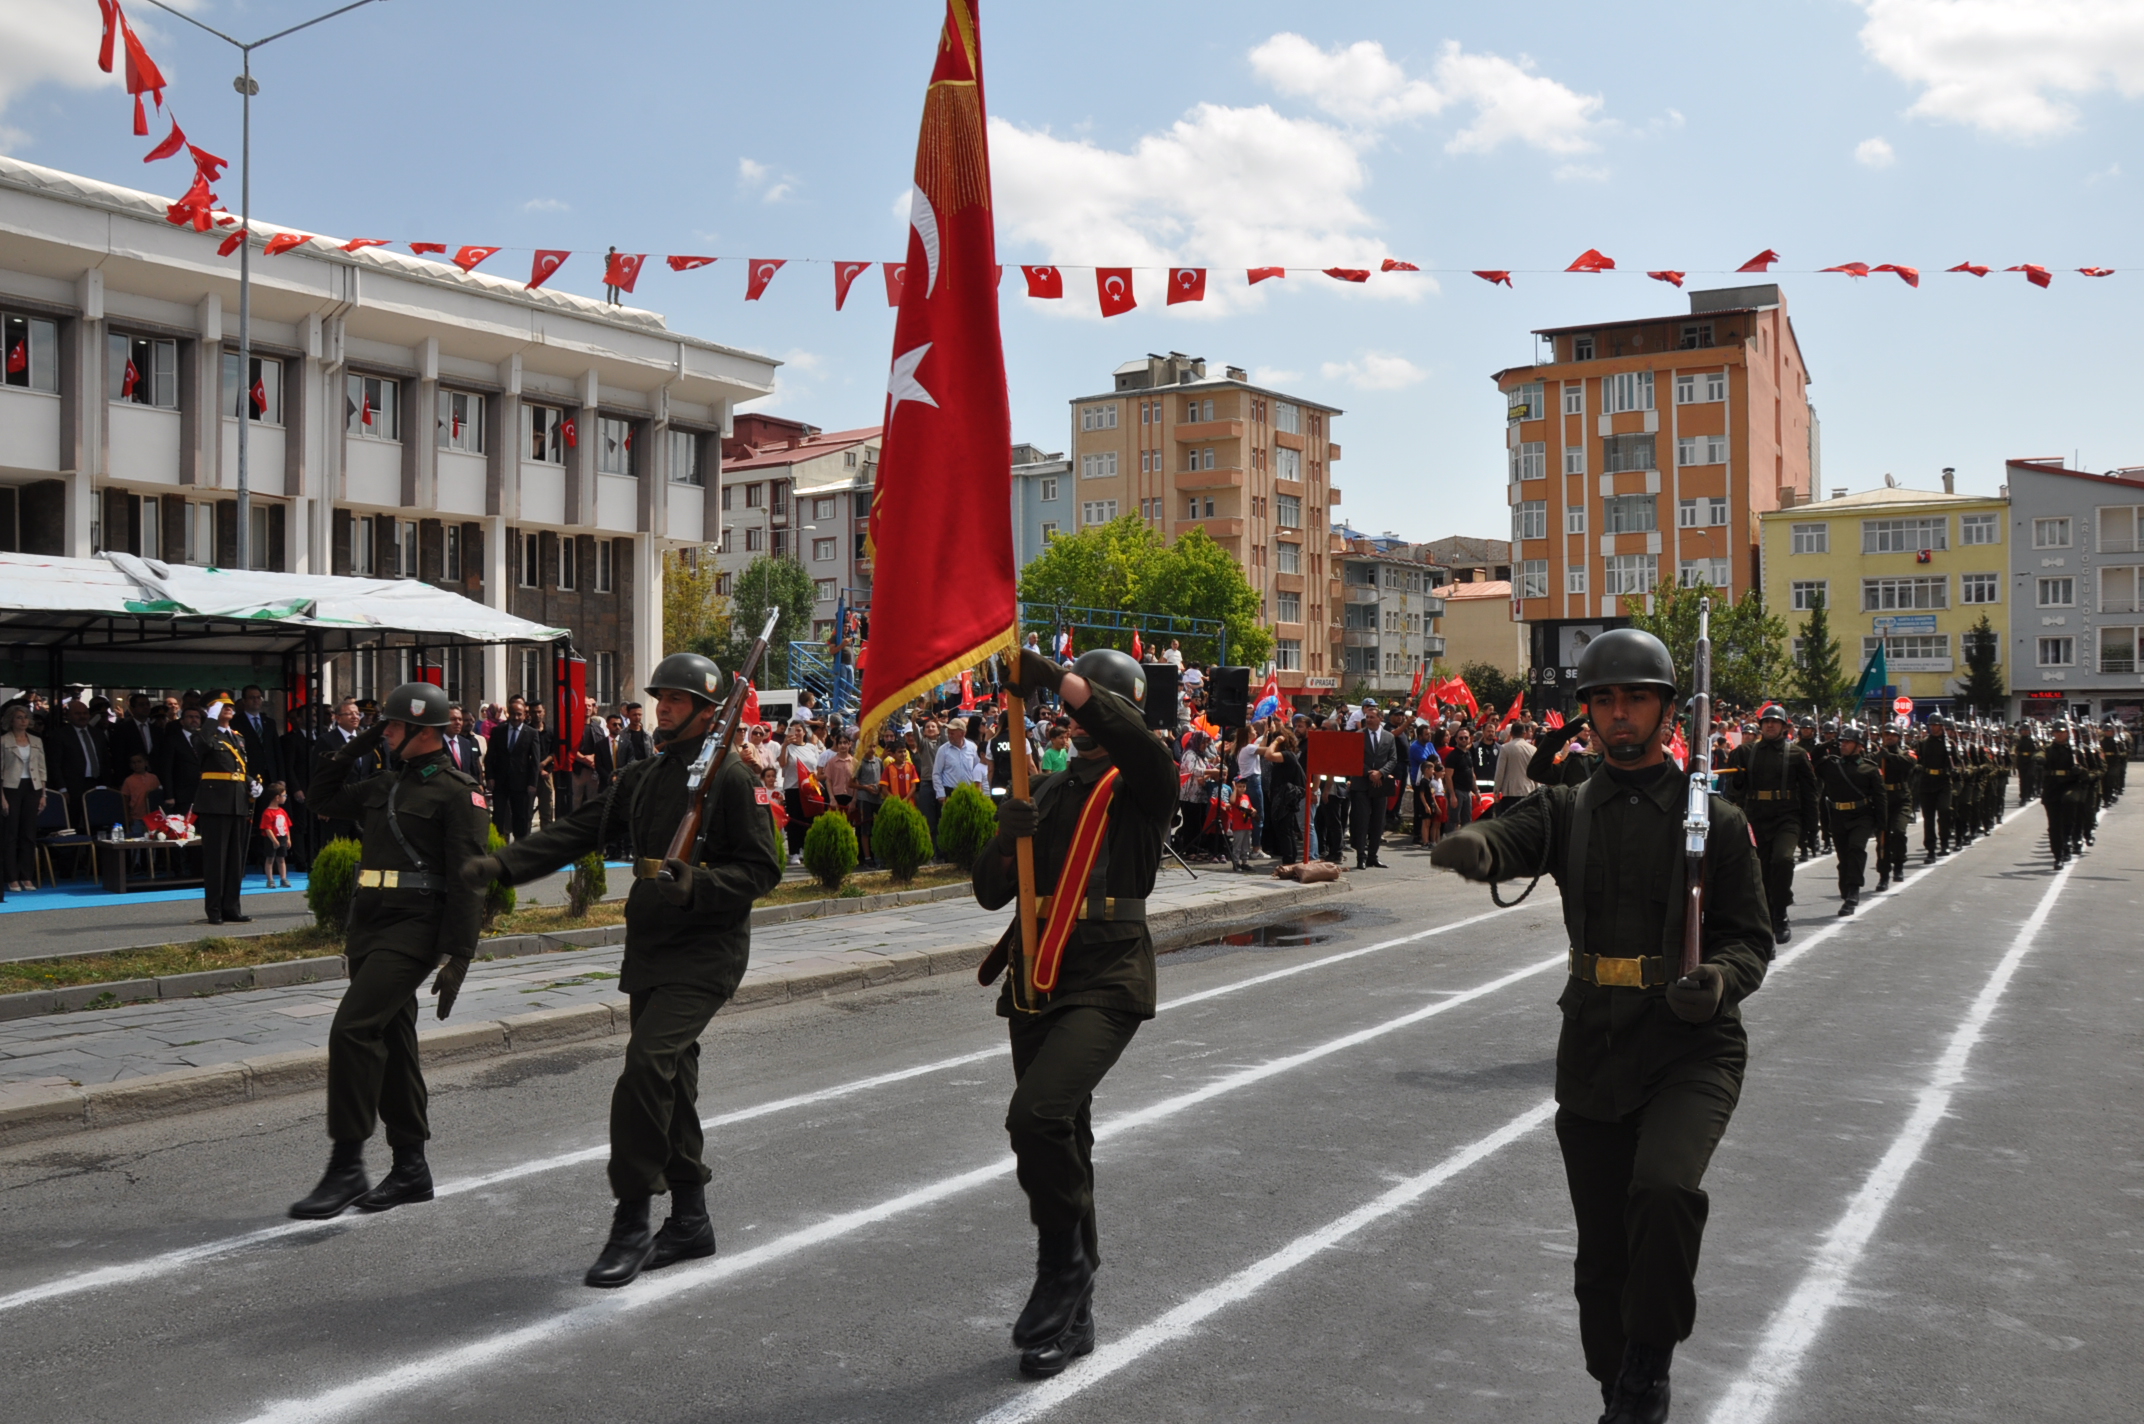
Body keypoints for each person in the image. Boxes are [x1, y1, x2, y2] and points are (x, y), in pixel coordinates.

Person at [1429, 627, 1771, 1423]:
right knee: (1602, 1260)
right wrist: (1474, 847)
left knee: (1663, 1190)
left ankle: (1649, 1366)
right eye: (1605, 701)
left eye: (1636, 699)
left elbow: (1750, 939)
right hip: (1593, 1046)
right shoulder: (1565, 808)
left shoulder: (1713, 821)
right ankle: (1620, 1386)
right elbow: (1511, 835)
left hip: (1691, 1046)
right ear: (1587, 713)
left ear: (1666, 710)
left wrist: (1718, 980)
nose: (1620, 715)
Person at [464, 652, 783, 1287]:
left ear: (706, 711)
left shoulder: (731, 781)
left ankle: (632, 1218)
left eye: (677, 699)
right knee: (670, 1084)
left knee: (645, 1066)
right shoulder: (644, 775)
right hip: (653, 949)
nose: (663, 707)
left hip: (707, 950)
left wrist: (700, 883)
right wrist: (504, 866)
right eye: (660, 696)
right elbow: (581, 829)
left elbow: (762, 871)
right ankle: (691, 1219)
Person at [980, 648, 1179, 1378]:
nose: (1075, 719)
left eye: (1086, 706)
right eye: (1069, 708)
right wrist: (1008, 838)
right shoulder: (1053, 789)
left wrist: (1054, 675)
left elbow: (1133, 737)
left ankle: (1063, 1271)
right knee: (1068, 1134)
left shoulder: (1144, 784)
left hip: (1107, 977)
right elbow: (988, 893)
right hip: (1038, 978)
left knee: (1036, 1115)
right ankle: (1077, 1314)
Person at [288, 682, 493, 1220]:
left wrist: (460, 957)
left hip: (414, 930)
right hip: (370, 925)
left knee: (353, 1029)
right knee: (394, 1042)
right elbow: (322, 797)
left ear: (426, 733)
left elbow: (471, 878)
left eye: (396, 726)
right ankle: (411, 1169)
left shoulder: (459, 792)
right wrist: (359, 744)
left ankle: (347, 1164)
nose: (386, 733)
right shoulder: (383, 782)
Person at [1720, 703, 1815, 945]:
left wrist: (1812, 832)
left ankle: (1780, 912)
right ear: (1761, 725)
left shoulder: (1797, 755)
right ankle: (1767, 927)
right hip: (1756, 817)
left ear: (1784, 727)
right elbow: (1734, 791)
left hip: (1787, 817)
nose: (1770, 725)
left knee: (1782, 860)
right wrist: (1739, 780)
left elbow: (1809, 794)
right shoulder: (1746, 752)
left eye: (1776, 721)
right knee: (1760, 874)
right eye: (1766, 721)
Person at [193, 697, 255, 926]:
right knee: (216, 859)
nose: (227, 708)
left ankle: (232, 907)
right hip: (215, 802)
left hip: (237, 801)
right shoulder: (205, 733)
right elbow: (202, 747)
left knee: (235, 859)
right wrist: (209, 718)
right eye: (221, 705)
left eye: (230, 705)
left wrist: (250, 782)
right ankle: (215, 910)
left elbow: (235, 767)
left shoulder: (237, 737)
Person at [1818, 725, 1885, 916]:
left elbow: (1880, 797)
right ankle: (1847, 889)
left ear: (1860, 746)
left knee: (1856, 849)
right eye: (1842, 741)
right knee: (1844, 858)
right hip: (1839, 816)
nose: (1843, 745)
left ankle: (1854, 891)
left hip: (1862, 816)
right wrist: (1828, 742)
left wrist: (1882, 824)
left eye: (1848, 742)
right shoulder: (1832, 765)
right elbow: (1814, 758)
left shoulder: (1869, 769)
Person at [1, 703, 49, 892]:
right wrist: (2, 798)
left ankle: (26, 876)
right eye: (19, 717)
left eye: (25, 717)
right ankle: (12, 877)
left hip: (33, 787)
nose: (23, 721)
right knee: (11, 834)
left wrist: (43, 794)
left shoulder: (36, 741)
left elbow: (42, 769)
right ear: (11, 720)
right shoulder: (4, 741)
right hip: (11, 787)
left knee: (29, 834)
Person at [485, 696, 541, 841]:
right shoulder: (498, 731)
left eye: (519, 714)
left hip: (521, 783)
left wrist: (532, 783)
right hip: (500, 781)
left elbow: (535, 761)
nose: (516, 717)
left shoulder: (531, 733)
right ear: (508, 713)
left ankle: (519, 849)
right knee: (499, 816)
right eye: (513, 714)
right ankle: (498, 846)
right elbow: (490, 756)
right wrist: (489, 777)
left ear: (525, 715)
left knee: (520, 817)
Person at [1351, 702, 1399, 869]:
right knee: (1362, 821)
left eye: (1372, 717)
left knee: (1378, 822)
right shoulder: (1358, 735)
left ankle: (1373, 855)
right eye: (1367, 717)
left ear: (1380, 718)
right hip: (1362, 784)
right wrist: (1370, 773)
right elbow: (1355, 758)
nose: (1369, 720)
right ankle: (1361, 857)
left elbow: (1393, 759)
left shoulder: (1389, 737)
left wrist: (1381, 773)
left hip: (1381, 784)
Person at [1873, 723, 1916, 891]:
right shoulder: (1877, 755)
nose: (1889, 737)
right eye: (1886, 734)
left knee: (1898, 832)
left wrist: (1889, 757)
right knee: (1882, 840)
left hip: (1901, 800)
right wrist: (1879, 757)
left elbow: (1909, 763)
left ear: (1899, 737)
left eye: (1893, 734)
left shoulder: (1906, 753)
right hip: (1883, 801)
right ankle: (1883, 875)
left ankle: (1898, 863)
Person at [1914, 715, 1958, 861]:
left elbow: (1958, 762)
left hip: (1943, 782)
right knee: (1929, 819)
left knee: (1944, 811)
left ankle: (1944, 843)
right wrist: (1918, 767)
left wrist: (1955, 770)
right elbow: (1917, 760)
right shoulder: (1923, 743)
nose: (1932, 727)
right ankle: (1931, 850)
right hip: (1927, 782)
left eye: (1935, 725)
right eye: (1931, 725)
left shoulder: (1949, 744)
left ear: (1941, 726)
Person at [257, 781, 294, 888]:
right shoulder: (268, 813)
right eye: (284, 795)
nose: (285, 797)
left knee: (281, 858)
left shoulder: (282, 811)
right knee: (270, 859)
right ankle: (270, 880)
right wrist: (274, 840)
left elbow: (287, 826)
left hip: (282, 838)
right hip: (271, 839)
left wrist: (288, 839)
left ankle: (283, 878)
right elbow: (267, 828)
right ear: (277, 797)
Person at [119, 752, 161, 831]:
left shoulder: (153, 778)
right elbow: (125, 800)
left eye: (139, 762)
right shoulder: (129, 780)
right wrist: (128, 817)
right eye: (134, 763)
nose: (136, 764)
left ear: (146, 763)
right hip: (137, 817)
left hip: (153, 816)